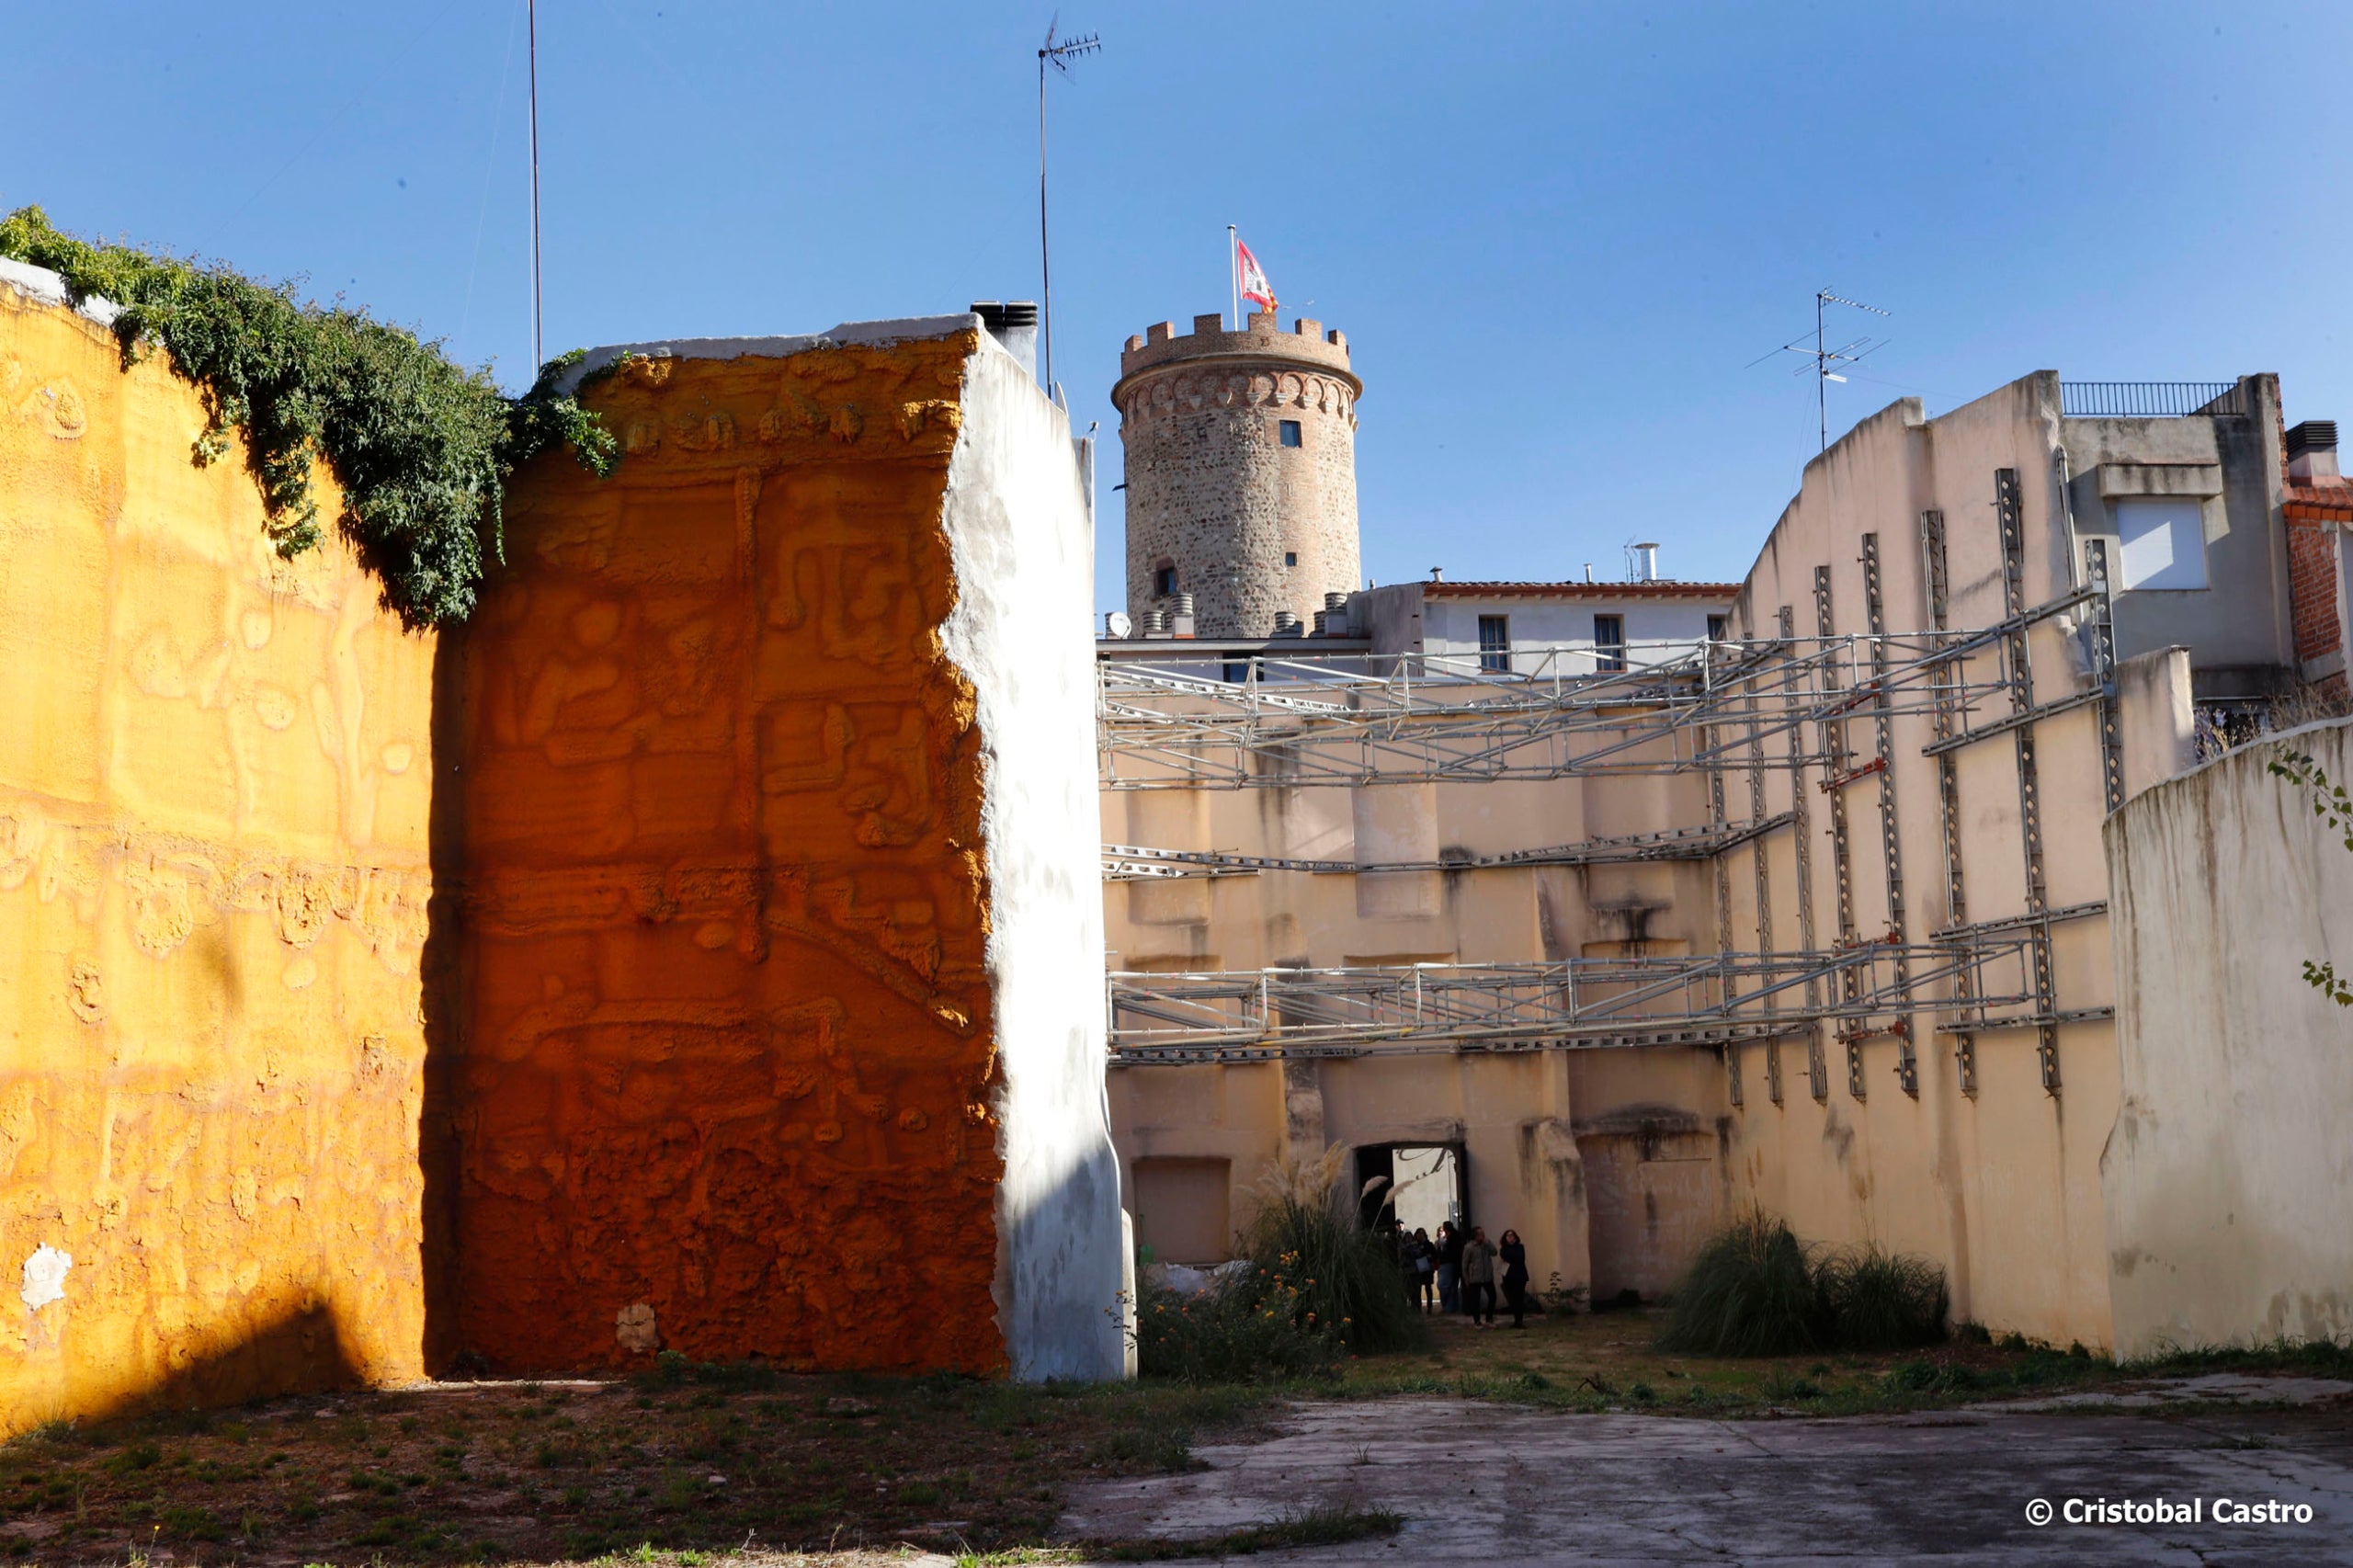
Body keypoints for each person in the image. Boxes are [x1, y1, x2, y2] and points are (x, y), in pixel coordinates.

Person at [1460, 1225, 1497, 1325]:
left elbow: (1494, 1252)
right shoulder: (1469, 1247)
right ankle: (1477, 1321)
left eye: (1483, 1234)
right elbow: (1464, 1264)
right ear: (1475, 1236)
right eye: (1480, 1234)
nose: (1482, 1236)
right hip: (1475, 1277)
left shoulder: (1486, 1245)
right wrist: (1466, 1278)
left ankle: (1489, 1318)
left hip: (1487, 1276)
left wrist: (1488, 1243)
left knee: (1493, 1297)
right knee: (1475, 1300)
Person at [1498, 1228, 1531, 1329]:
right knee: (1512, 1299)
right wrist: (1512, 1256)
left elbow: (1520, 1258)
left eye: (1512, 1235)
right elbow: (1506, 1256)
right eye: (1508, 1235)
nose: (1510, 1237)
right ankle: (1516, 1320)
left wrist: (1512, 1256)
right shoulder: (1504, 1248)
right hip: (1508, 1277)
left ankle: (1519, 1321)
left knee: (1519, 1298)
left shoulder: (1520, 1247)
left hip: (1520, 1276)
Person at [1435, 1221, 1464, 1314]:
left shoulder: (1452, 1238)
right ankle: (1450, 1307)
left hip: (1449, 1263)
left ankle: (1449, 1307)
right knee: (1451, 1287)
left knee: (1444, 1286)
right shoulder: (1452, 1237)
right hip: (1452, 1263)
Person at [1409, 1227, 1438, 1312]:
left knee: (1428, 1288)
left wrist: (1430, 1257)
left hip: (1427, 1269)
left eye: (1422, 1233)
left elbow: (1435, 1255)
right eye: (1418, 1233)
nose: (1420, 1235)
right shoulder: (1414, 1245)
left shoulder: (1429, 1244)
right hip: (1417, 1269)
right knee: (1417, 1288)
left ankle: (1429, 1306)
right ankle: (1418, 1306)